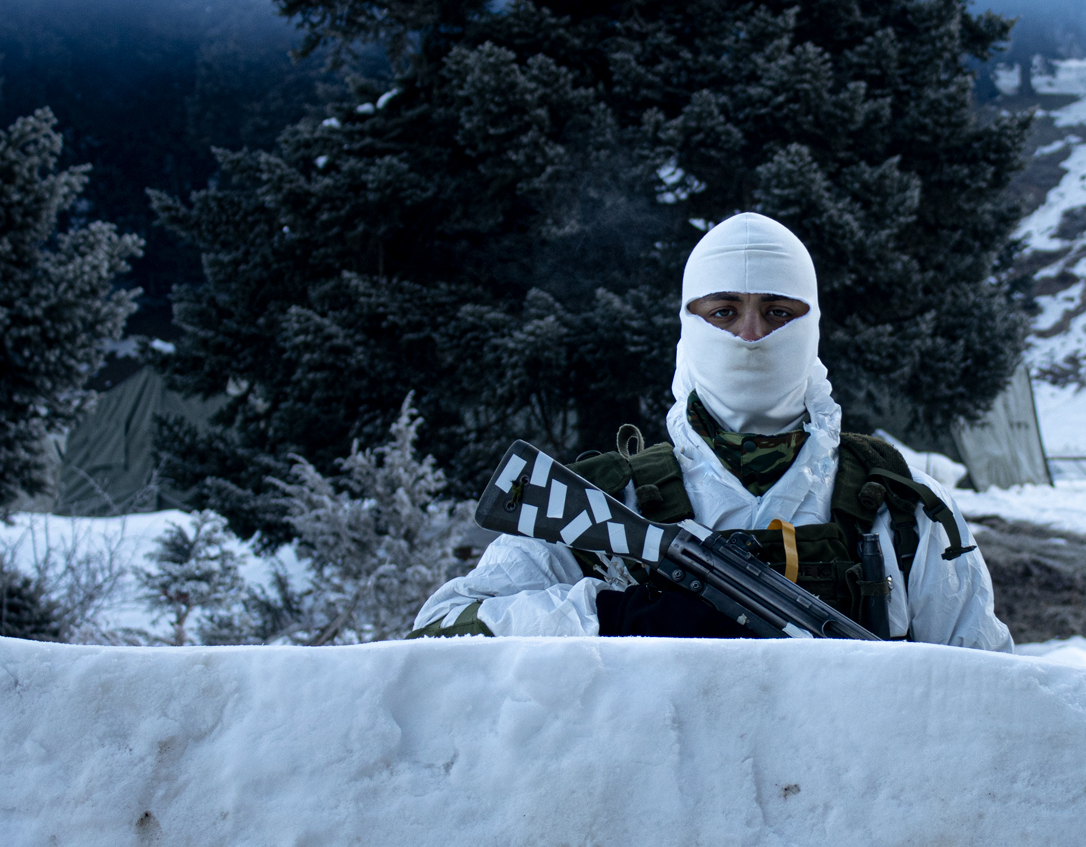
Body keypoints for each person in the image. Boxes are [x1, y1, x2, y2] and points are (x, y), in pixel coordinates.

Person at [410, 213, 1012, 651]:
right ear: (688, 324)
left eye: (778, 313)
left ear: (813, 327)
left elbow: (988, 691)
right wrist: (616, 614)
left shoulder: (903, 507)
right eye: (723, 312)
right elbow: (442, 626)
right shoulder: (615, 499)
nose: (750, 335)